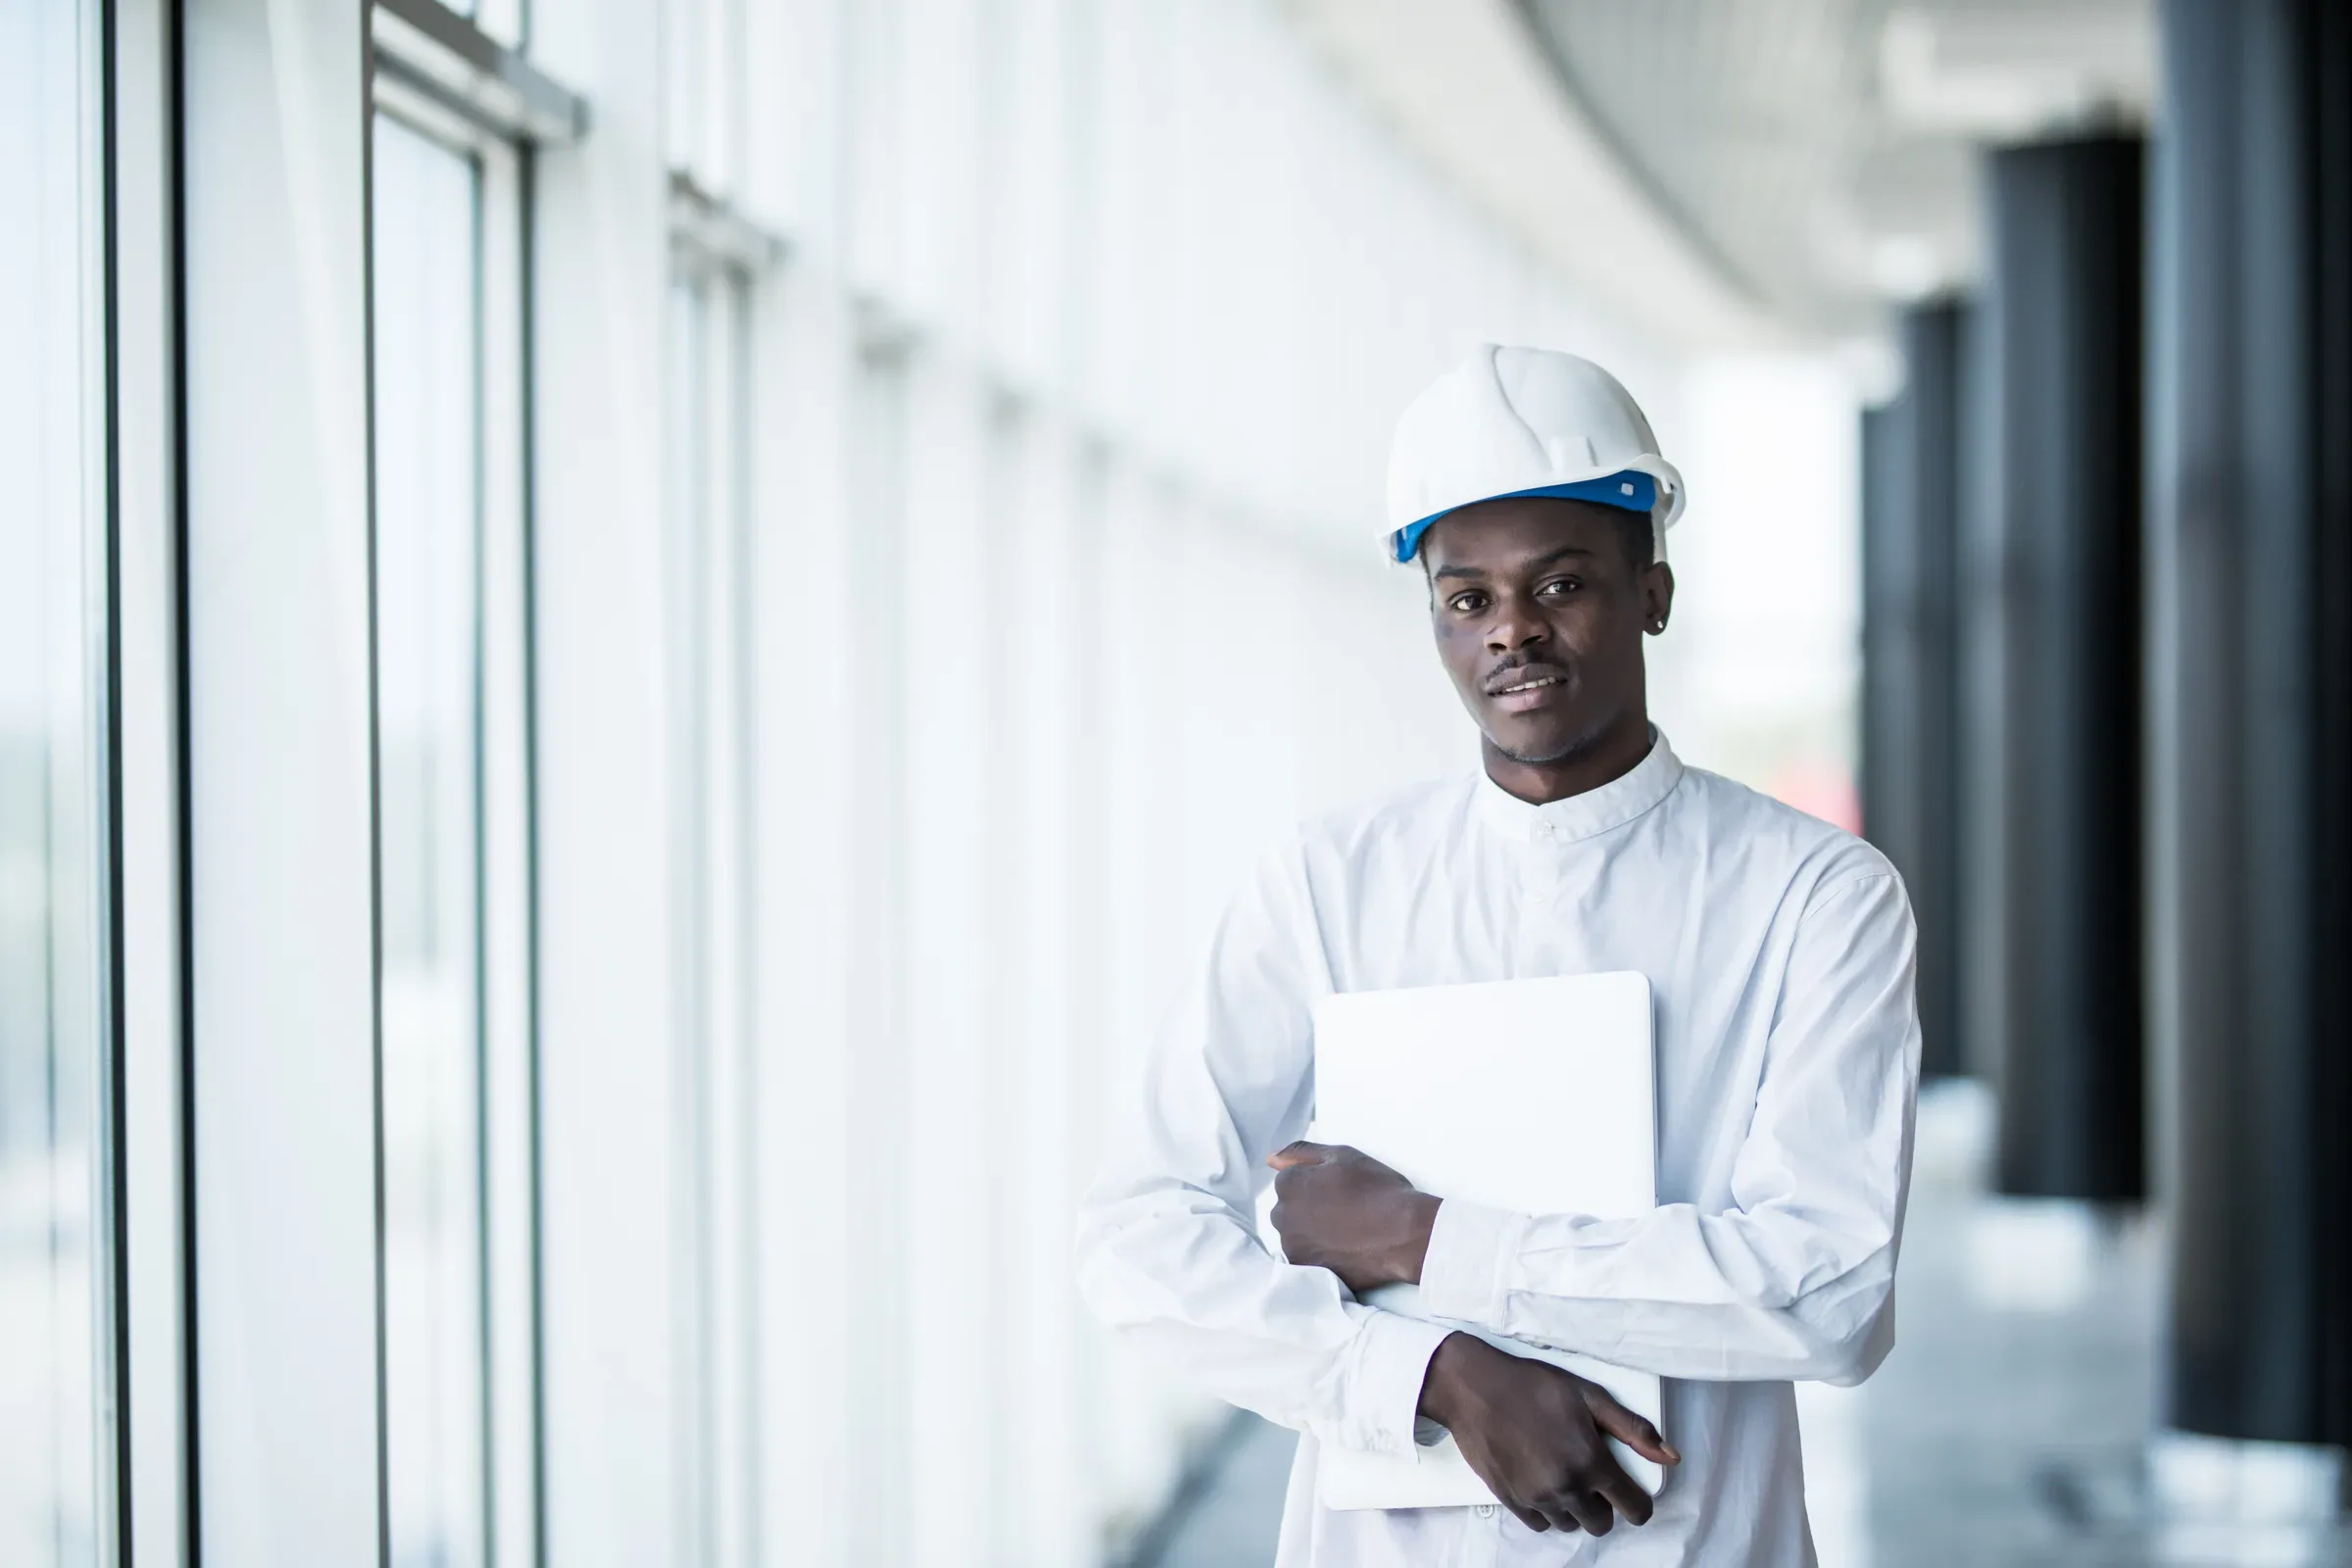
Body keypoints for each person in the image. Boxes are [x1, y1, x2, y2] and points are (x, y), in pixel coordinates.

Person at [1074, 345, 1920, 1566]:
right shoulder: (1331, 881)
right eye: (1468, 599)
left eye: (1562, 582)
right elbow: (1139, 1237)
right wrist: (1430, 1373)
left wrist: (1423, 1239)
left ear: (1653, 590)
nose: (1513, 631)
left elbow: (1829, 1291)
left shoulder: (1814, 895)